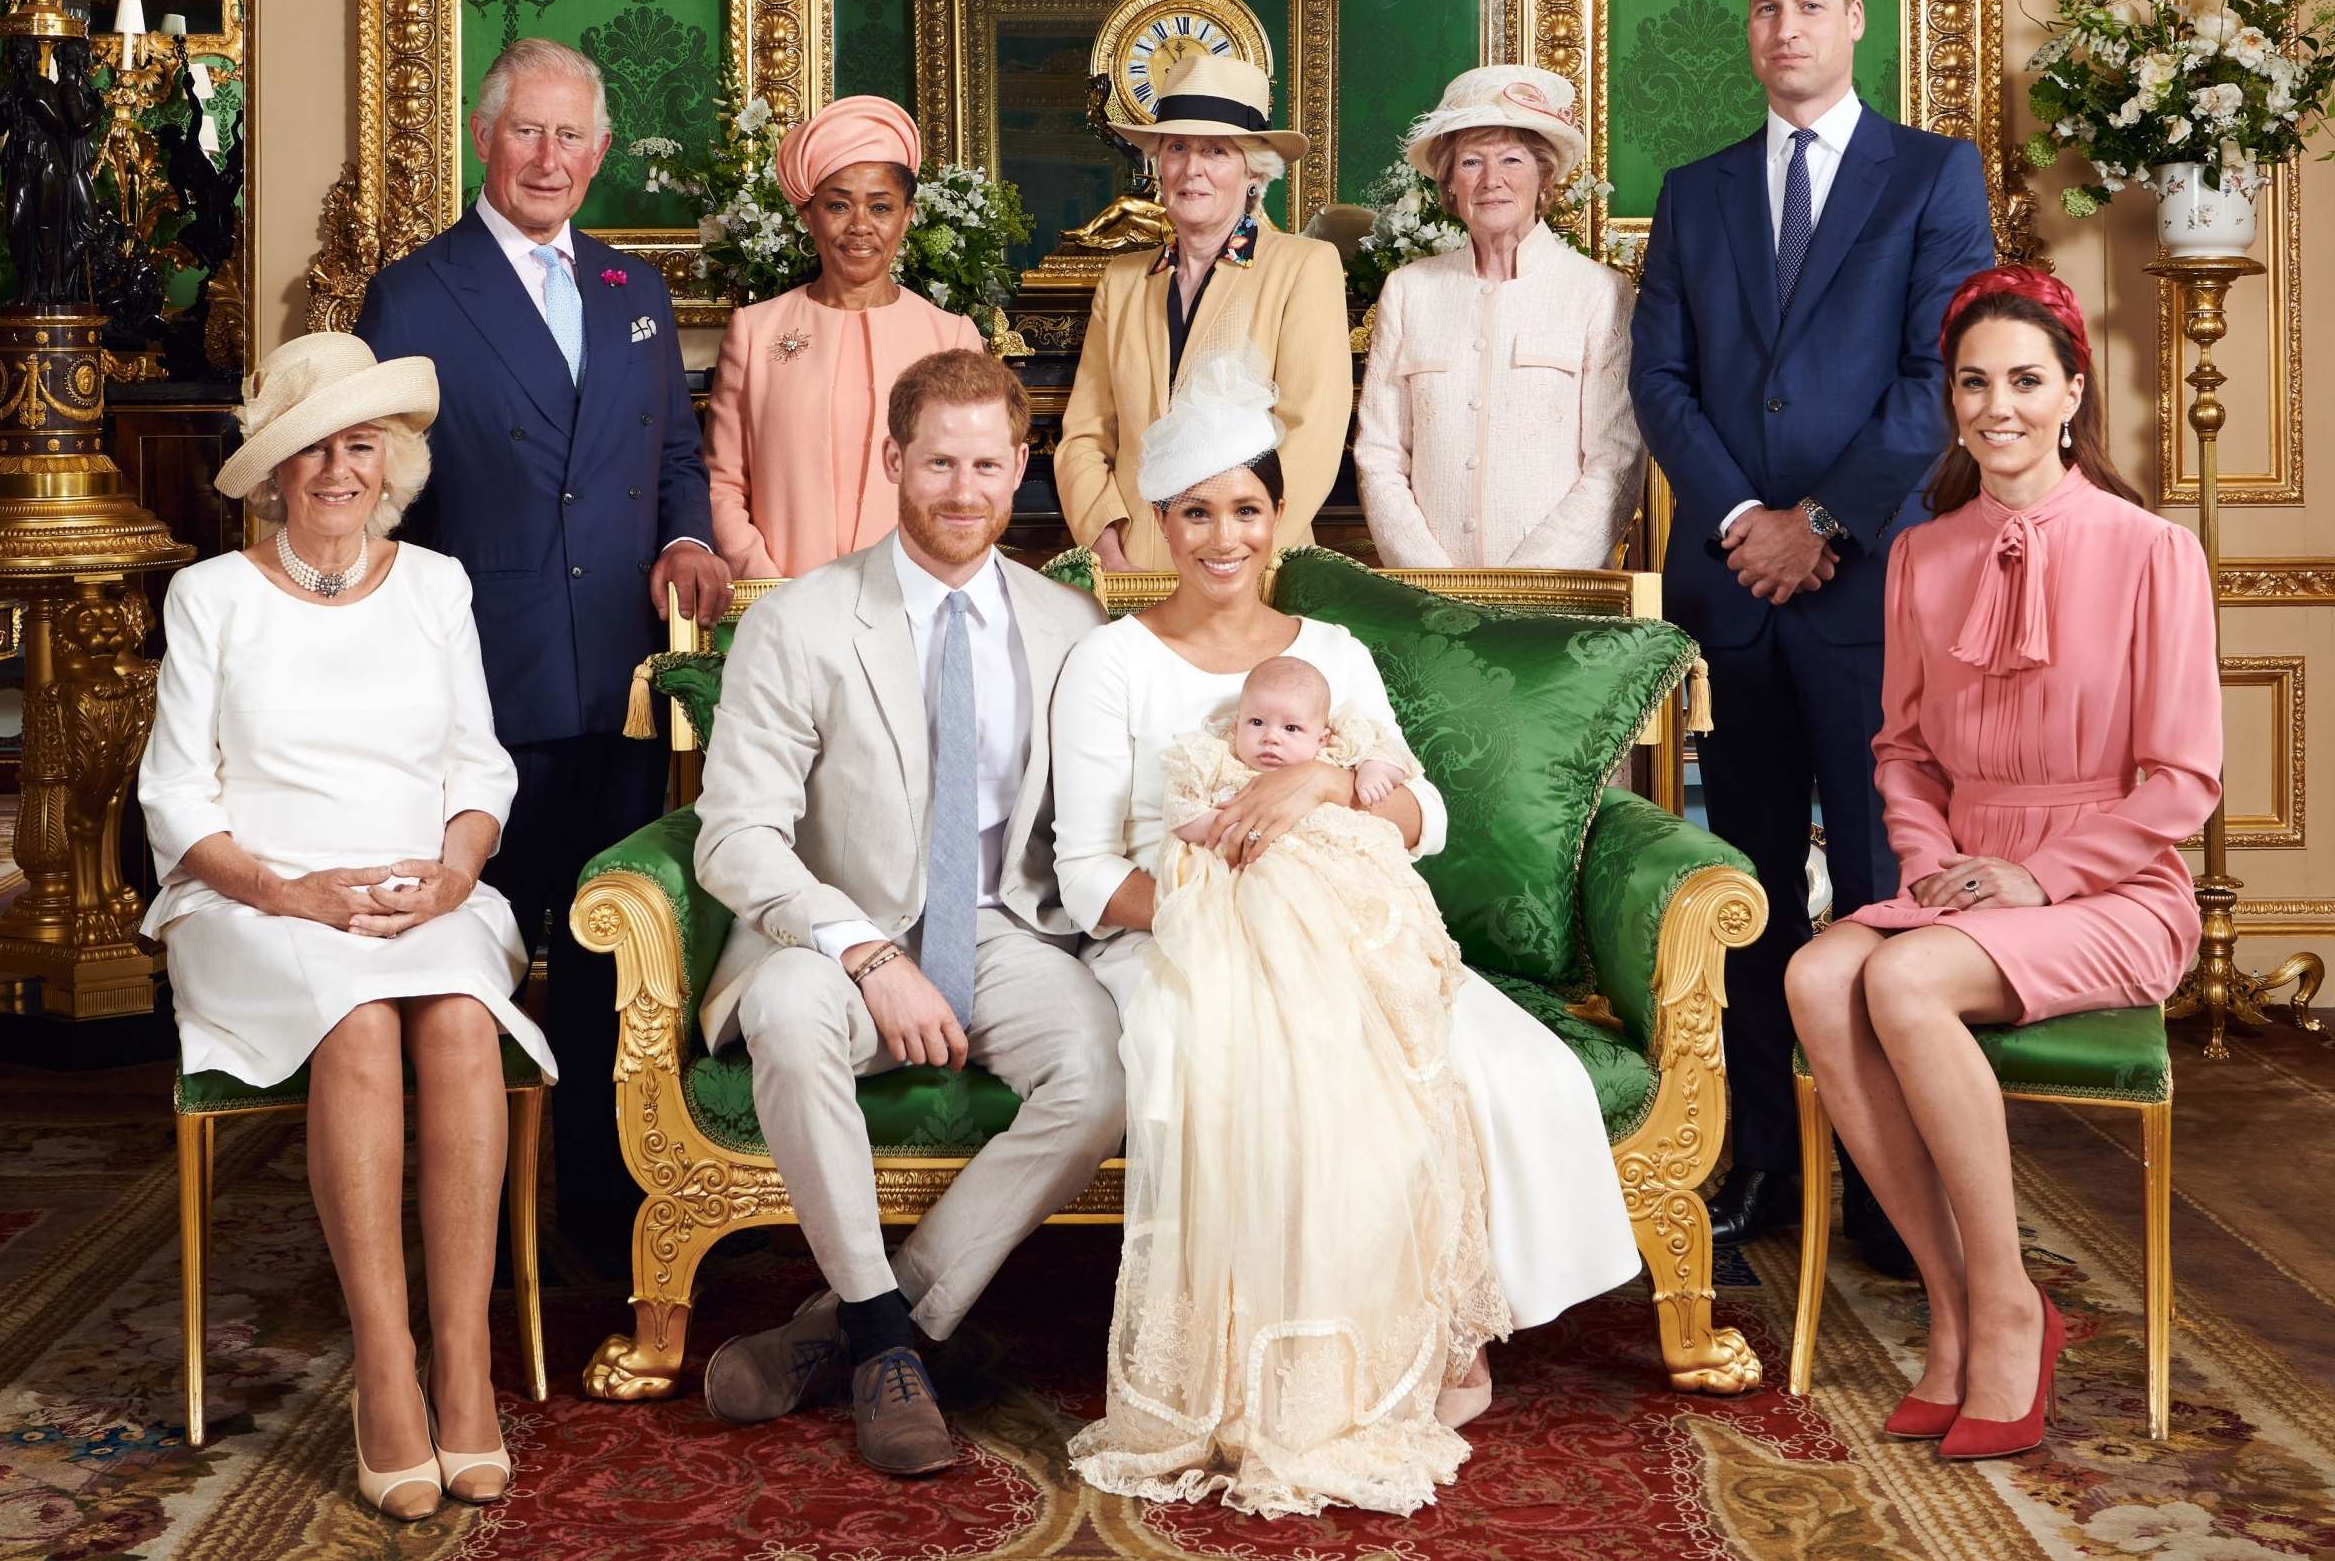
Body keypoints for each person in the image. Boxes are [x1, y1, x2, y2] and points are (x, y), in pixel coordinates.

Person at [1052, 354, 1639, 1493]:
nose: (1223, 538)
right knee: (1258, 1068)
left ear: (1278, 518)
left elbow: (1416, 818)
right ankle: (1270, 1371)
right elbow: (1084, 875)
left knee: (1498, 1063)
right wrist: (1228, 928)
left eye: (1246, 509)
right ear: (1164, 523)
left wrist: (1319, 787)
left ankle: (1424, 1328)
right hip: (1176, 935)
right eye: (1196, 513)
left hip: (1354, 927)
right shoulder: (1108, 661)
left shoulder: (1330, 654)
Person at [1785, 266, 2221, 1459]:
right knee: (1817, 977)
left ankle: (2010, 1304)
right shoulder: (1922, 555)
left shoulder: (2151, 553)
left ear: (2072, 392)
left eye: (2025, 380)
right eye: (1973, 382)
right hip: (1961, 879)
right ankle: (1950, 1306)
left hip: (2109, 888)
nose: (1997, 406)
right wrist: (1930, 861)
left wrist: (2035, 877)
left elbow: (2181, 781)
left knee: (1902, 980)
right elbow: (1903, 751)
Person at [1627, 0, 1996, 1266]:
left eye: (1810, 6)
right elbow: (1661, 380)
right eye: (1765, 7)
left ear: (1855, 22)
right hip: (1735, 595)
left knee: (1890, 883)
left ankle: (1899, 1188)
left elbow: (1935, 374)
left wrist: (1822, 523)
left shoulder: (1933, 177)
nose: (1785, 28)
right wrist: (1743, 523)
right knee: (1750, 888)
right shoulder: (1697, 191)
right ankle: (1762, 1168)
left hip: (1872, 595)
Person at [141, 333, 553, 1520]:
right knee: (361, 1023)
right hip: (255, 898)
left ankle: (463, 1367)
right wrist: (290, 893)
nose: (336, 470)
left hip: (425, 888)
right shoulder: (210, 597)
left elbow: (479, 768)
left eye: (359, 446)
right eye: (310, 449)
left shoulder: (437, 586)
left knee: (463, 1024)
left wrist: (452, 871)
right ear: (273, 471)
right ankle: (386, 1367)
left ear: (393, 463)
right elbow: (176, 796)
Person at [689, 350, 1120, 1477]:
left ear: (1020, 468)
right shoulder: (802, 620)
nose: (963, 489)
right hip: (836, 932)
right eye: (938, 462)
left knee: (1102, 1070)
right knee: (784, 1008)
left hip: (1002, 928)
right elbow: (736, 836)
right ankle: (887, 1343)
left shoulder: (1070, 623)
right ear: (892, 460)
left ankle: (865, 1327)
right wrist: (865, 950)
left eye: (986, 463)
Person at [354, 36, 730, 1268]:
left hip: (618, 682)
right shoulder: (413, 295)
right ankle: (482, 1227)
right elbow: (381, 498)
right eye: (528, 132)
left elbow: (674, 453)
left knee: (613, 961)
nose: (550, 158)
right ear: (483, 137)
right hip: (483, 684)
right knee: (483, 961)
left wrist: (685, 535)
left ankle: (609, 1220)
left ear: (601, 153)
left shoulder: (633, 291)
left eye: (573, 138)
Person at [1069, 641, 1509, 1516]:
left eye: (1291, 729)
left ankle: (1404, 1344)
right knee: (1244, 1058)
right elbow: (1159, 835)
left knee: (1389, 1064)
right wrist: (1221, 843)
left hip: (1338, 916)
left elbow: (1413, 806)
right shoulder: (1131, 676)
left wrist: (1341, 782)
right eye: (1258, 725)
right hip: (1207, 917)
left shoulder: (1338, 679)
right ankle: (1237, 1372)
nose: (1270, 740)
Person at [1055, 52, 1351, 570]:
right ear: (1158, 165)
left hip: (1253, 572)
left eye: (1216, 151)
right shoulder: (1122, 281)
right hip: (1135, 568)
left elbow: (1311, 434)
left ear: (1251, 172)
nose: (1192, 169)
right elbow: (1084, 434)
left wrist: (1242, 555)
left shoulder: (1304, 267)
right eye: (1177, 148)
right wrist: (1106, 543)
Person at [1354, 65, 1643, 568]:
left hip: (1556, 598)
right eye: (1470, 162)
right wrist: (1433, 583)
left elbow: (1615, 461)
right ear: (1448, 184)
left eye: (1511, 159)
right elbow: (1378, 454)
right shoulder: (1409, 291)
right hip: (1431, 599)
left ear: (1543, 177)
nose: (1491, 181)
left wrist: (1529, 586)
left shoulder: (1597, 292)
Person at [701, 94, 984, 578]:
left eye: (880, 207)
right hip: (782, 603)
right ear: (807, 216)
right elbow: (722, 481)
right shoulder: (755, 331)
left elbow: (971, 486)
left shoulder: (951, 337)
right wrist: (763, 581)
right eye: (837, 205)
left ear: (907, 216)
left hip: (914, 602)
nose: (860, 227)